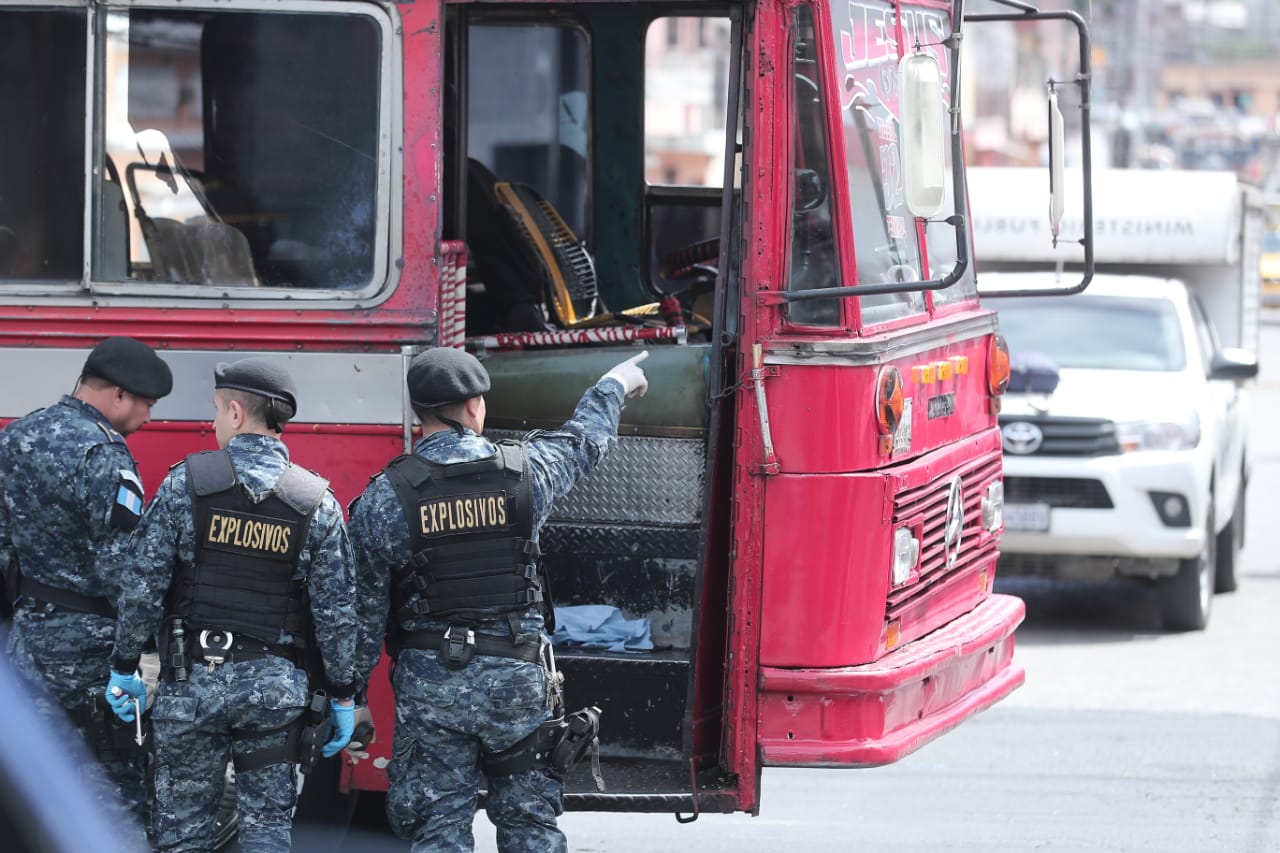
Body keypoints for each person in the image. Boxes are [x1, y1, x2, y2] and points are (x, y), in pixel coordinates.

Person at [348, 345, 650, 853]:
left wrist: (350, 696)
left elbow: (362, 612)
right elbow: (585, 441)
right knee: (531, 826)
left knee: (438, 829)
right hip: (516, 682)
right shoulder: (527, 471)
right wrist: (613, 386)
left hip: (431, 686)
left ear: (418, 414)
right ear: (473, 408)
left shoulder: (386, 496)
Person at [104, 357, 360, 853]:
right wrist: (345, 696)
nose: (214, 423)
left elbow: (142, 584)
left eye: (218, 412)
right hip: (274, 693)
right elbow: (338, 614)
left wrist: (124, 664)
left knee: (182, 834)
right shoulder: (316, 502)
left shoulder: (186, 483)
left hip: (190, 683)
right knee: (267, 830)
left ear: (237, 413)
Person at [0, 336, 172, 834]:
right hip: (95, 660)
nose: (149, 416)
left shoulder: (15, 437)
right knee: (113, 800)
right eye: (146, 404)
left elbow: (5, 549)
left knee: (35, 792)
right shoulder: (106, 457)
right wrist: (139, 654)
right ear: (118, 395)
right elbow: (125, 574)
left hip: (27, 647)